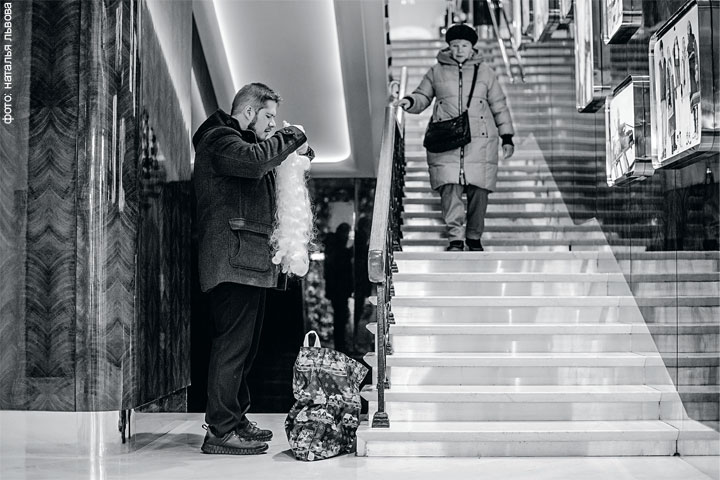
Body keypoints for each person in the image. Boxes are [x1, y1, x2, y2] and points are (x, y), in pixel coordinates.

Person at [193, 82, 313, 455]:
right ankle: (220, 430)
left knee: (244, 350)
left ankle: (235, 418)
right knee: (232, 348)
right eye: (268, 116)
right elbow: (257, 160)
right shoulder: (219, 139)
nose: (273, 124)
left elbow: (264, 163)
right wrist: (292, 136)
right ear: (249, 111)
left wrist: (294, 154)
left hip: (248, 262)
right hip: (233, 262)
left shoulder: (238, 144)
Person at [397, 23, 515, 251]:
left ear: (472, 48)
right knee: (449, 190)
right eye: (455, 45)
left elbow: (499, 105)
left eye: (464, 45)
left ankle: (474, 237)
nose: (459, 50)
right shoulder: (436, 71)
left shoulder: (486, 72)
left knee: (479, 192)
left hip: (480, 142)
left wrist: (507, 136)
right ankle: (456, 239)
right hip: (446, 140)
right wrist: (410, 101)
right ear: (449, 47)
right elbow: (422, 95)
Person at [323, 223, 354, 353]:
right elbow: (339, 267)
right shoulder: (338, 248)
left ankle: (340, 345)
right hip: (339, 288)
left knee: (340, 317)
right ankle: (340, 345)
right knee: (340, 318)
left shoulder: (333, 246)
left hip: (337, 288)